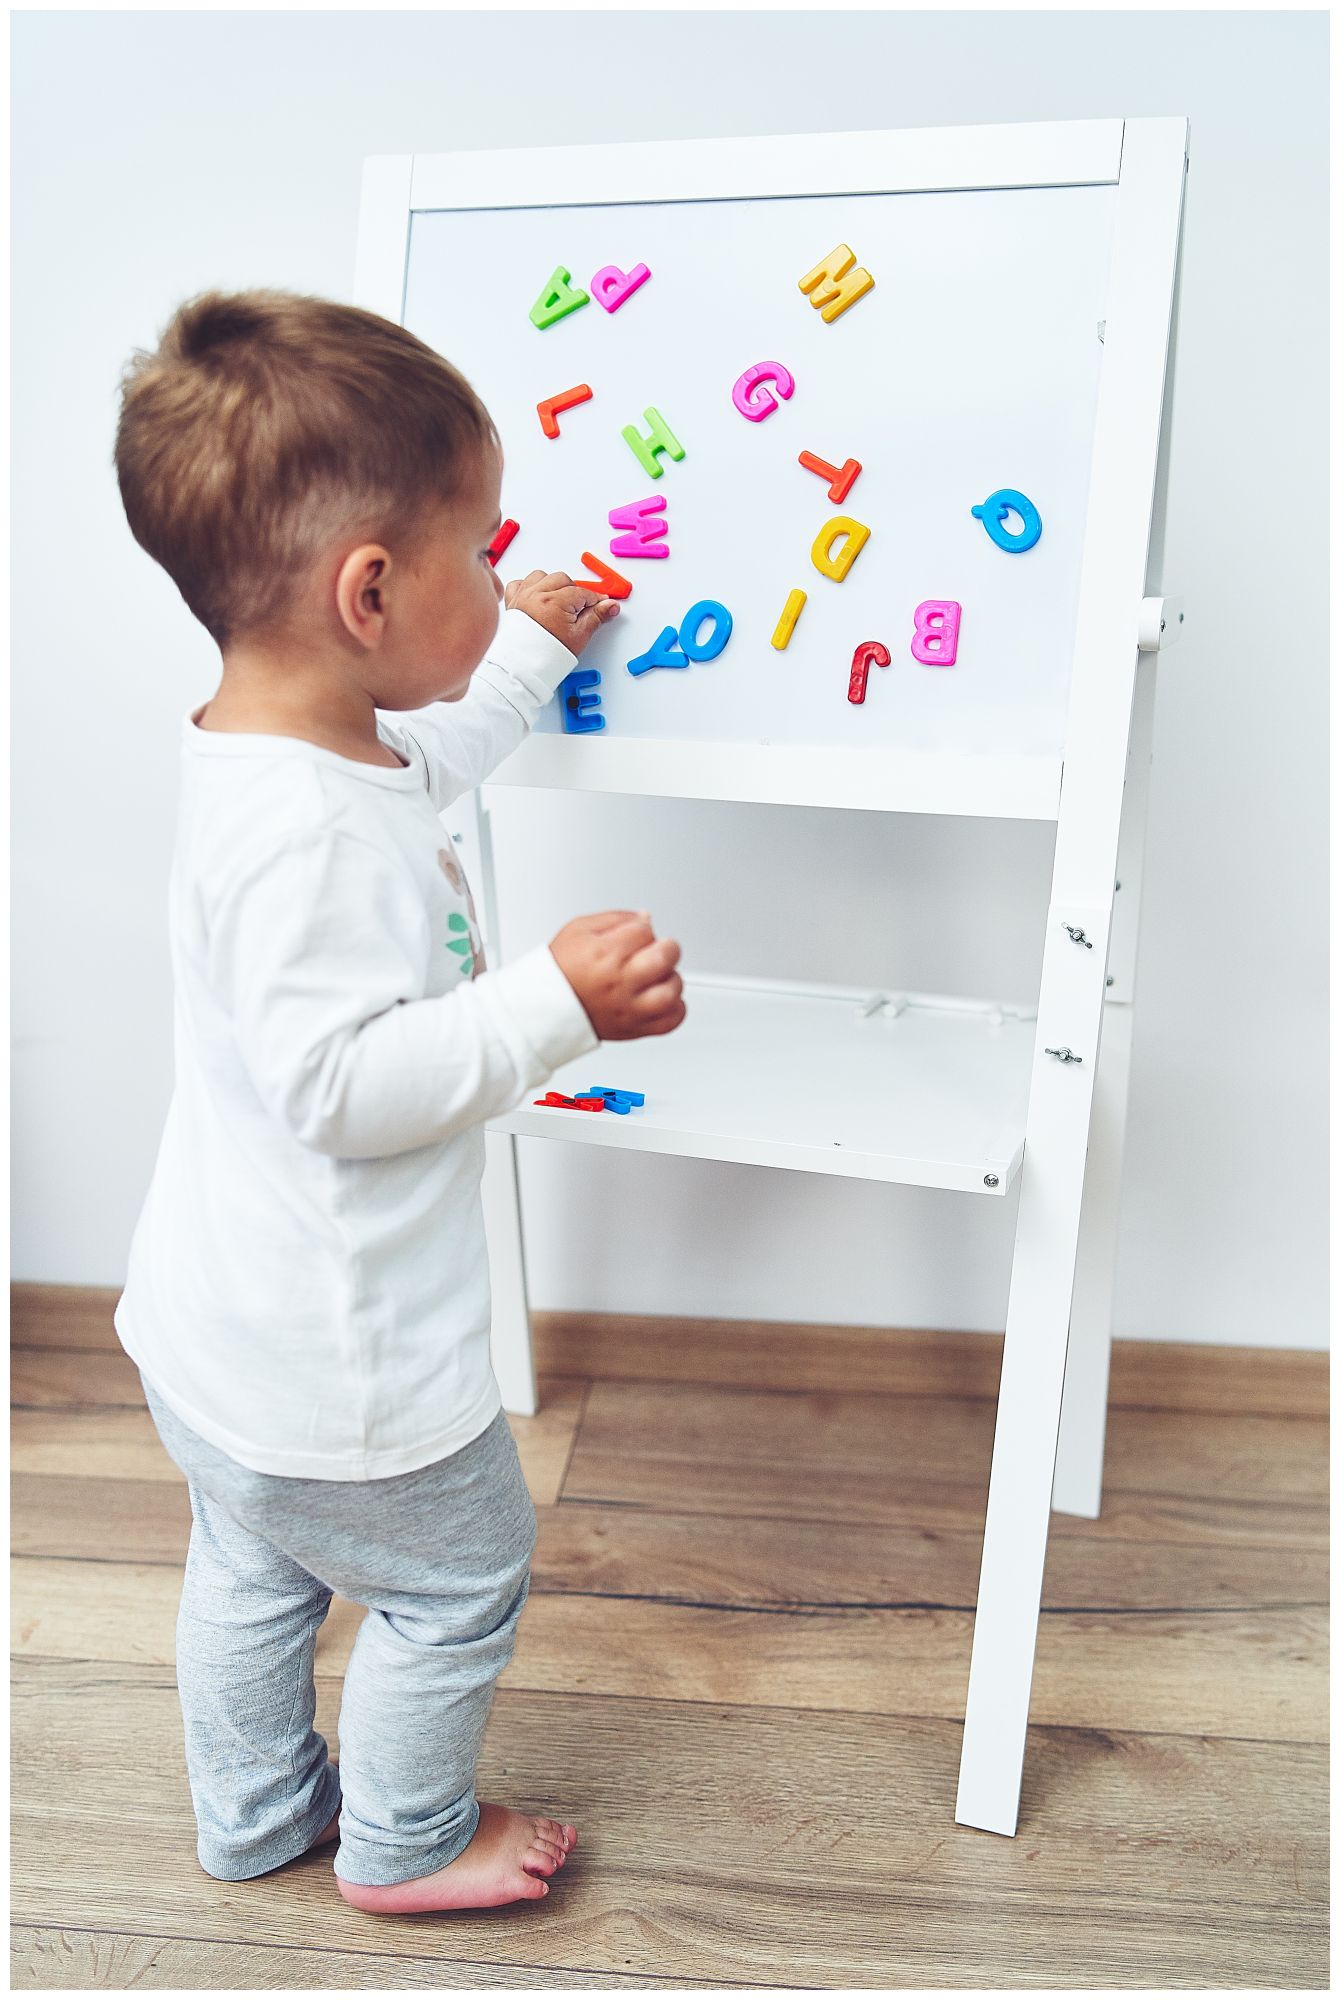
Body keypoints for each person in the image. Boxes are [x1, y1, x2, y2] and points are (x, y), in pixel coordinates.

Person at [110, 288, 685, 1915]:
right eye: (482, 558)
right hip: (340, 1374)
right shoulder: (309, 840)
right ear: (370, 590)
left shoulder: (285, 746)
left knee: (252, 1566)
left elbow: (428, 760)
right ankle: (409, 1843)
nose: (504, 576)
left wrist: (522, 645)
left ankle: (253, 1815)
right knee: (458, 1587)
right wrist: (552, 1004)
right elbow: (338, 1087)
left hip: (218, 1341)